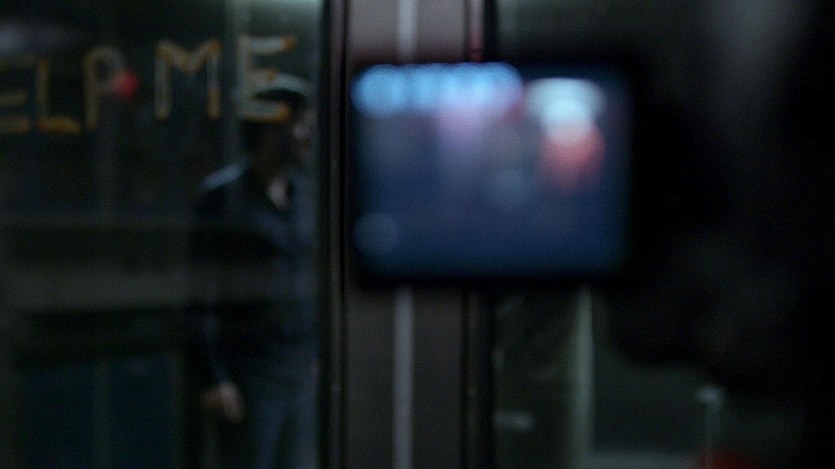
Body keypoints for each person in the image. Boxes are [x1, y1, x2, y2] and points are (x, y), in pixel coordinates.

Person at [187, 81, 318, 469]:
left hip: (297, 370)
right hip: (249, 374)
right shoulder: (223, 197)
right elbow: (200, 291)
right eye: (300, 125)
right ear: (272, 130)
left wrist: (316, 353)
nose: (308, 136)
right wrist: (213, 377)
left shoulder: (305, 196)